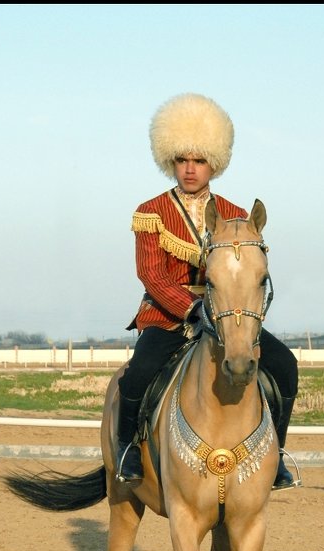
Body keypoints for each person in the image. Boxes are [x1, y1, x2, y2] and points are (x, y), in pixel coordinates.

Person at [117, 92, 298, 490]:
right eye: (182, 160)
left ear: (214, 162)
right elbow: (150, 274)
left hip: (227, 317)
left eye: (198, 161)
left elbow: (246, 271)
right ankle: (127, 451)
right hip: (167, 316)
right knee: (137, 376)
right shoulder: (151, 212)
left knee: (285, 367)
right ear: (170, 161)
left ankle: (278, 457)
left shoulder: (237, 215)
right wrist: (191, 308)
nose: (190, 169)